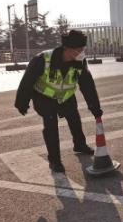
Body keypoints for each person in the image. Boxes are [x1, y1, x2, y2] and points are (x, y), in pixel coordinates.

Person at [15, 30, 103, 173]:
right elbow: (27, 80)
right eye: (79, 50)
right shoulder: (43, 59)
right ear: (67, 49)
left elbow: (87, 84)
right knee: (51, 126)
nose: (82, 53)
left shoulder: (80, 61)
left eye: (83, 49)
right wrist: (22, 102)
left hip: (66, 96)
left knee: (75, 119)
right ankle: (54, 160)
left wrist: (94, 107)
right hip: (44, 97)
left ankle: (80, 145)